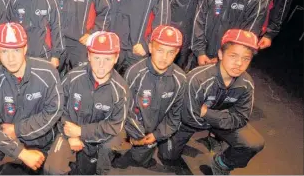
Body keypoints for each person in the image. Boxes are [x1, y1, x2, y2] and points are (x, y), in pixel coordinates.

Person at [161, 29, 265, 175]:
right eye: (233, 56)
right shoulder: (198, 78)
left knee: (253, 143)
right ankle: (208, 138)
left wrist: (208, 114)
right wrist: (223, 117)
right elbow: (189, 117)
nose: (239, 63)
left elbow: (241, 118)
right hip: (187, 123)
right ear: (221, 54)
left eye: (246, 59)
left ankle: (222, 163)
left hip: (215, 120)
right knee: (168, 156)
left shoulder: (247, 84)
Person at [0, 22, 64, 174]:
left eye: (16, 50)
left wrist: (18, 129)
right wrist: (21, 152)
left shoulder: (47, 72)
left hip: (42, 140)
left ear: (25, 48)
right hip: (9, 140)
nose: (11, 58)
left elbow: (54, 111)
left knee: (55, 170)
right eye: (4, 51)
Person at [44, 31, 128, 175]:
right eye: (96, 57)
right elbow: (57, 108)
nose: (101, 64)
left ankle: (101, 169)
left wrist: (82, 132)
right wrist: (70, 135)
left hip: (99, 136)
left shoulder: (121, 90)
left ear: (116, 58)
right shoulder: (72, 78)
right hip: (68, 131)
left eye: (107, 59)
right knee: (53, 169)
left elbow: (115, 125)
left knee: (109, 146)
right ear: (88, 55)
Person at [112, 25, 186, 170]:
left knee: (143, 157)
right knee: (113, 146)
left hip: (155, 130)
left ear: (177, 53)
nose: (164, 58)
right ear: (150, 47)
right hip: (132, 126)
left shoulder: (180, 79)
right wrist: (136, 135)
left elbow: (175, 115)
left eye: (171, 53)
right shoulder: (134, 73)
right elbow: (124, 108)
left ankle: (141, 157)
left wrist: (157, 135)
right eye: (160, 50)